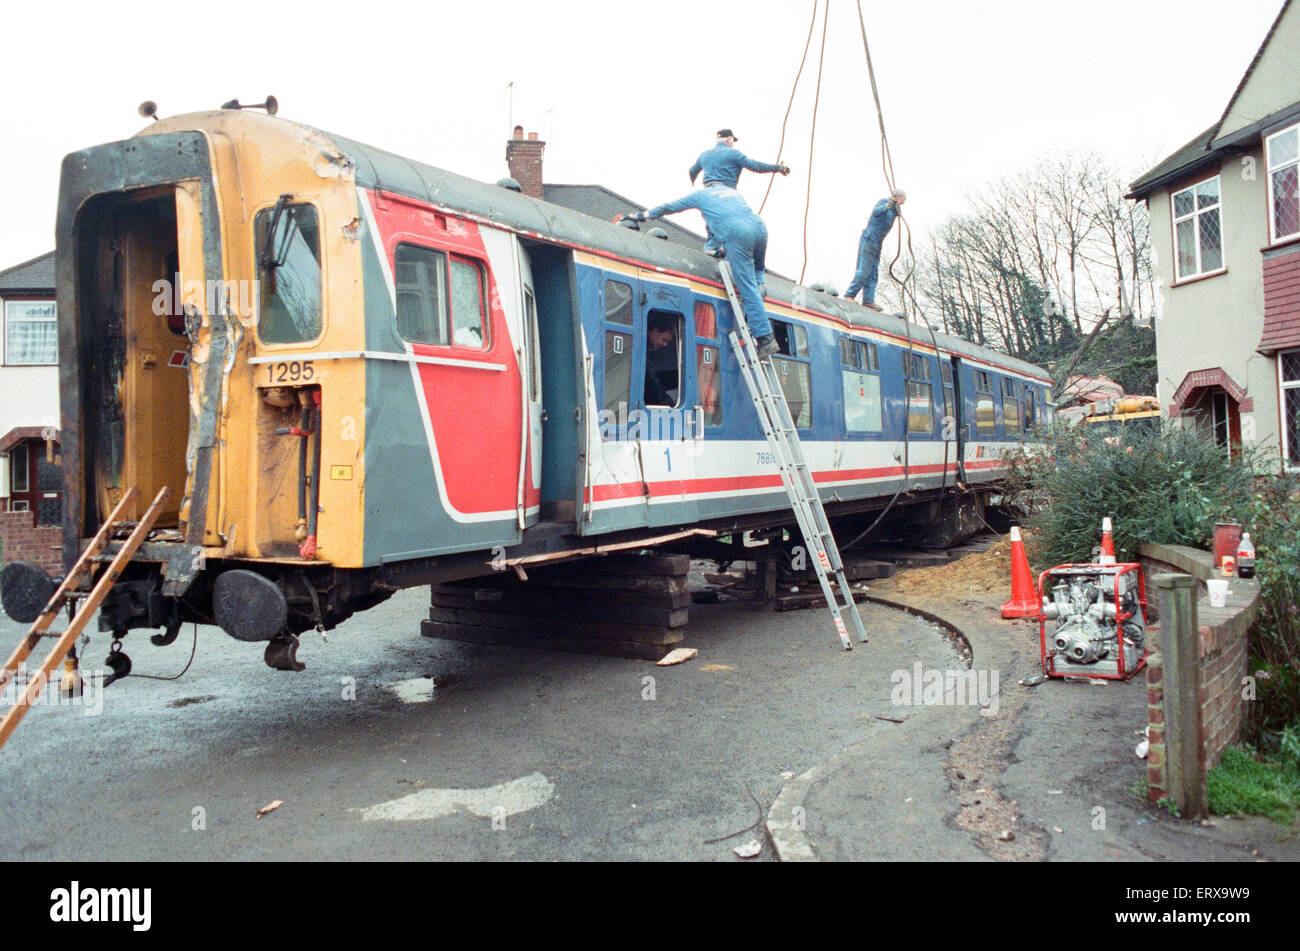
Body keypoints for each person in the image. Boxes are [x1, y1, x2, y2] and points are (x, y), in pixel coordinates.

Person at [627, 186, 779, 357]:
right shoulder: (732, 194)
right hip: (759, 228)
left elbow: (669, 207)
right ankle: (761, 292)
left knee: (747, 288)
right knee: (757, 278)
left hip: (739, 234)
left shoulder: (704, 197)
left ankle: (766, 338)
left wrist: (640, 216)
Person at [689, 129, 790, 258]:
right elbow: (755, 166)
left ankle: (713, 248)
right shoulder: (733, 154)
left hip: (707, 193)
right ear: (729, 139)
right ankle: (720, 250)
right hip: (725, 193)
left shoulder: (704, 155)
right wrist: (777, 168)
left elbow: (692, 171)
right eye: (732, 141)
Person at [844, 188, 906, 310]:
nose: (904, 202)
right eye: (903, 199)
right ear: (898, 196)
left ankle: (868, 300)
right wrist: (888, 205)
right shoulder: (884, 202)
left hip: (878, 241)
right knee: (865, 269)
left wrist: (896, 210)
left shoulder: (894, 209)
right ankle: (850, 294)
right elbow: (877, 212)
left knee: (873, 272)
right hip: (870, 238)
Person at [644, 314, 679, 406]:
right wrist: (671, 406)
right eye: (664, 340)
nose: (665, 345)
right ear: (655, 332)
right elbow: (653, 385)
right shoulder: (643, 354)